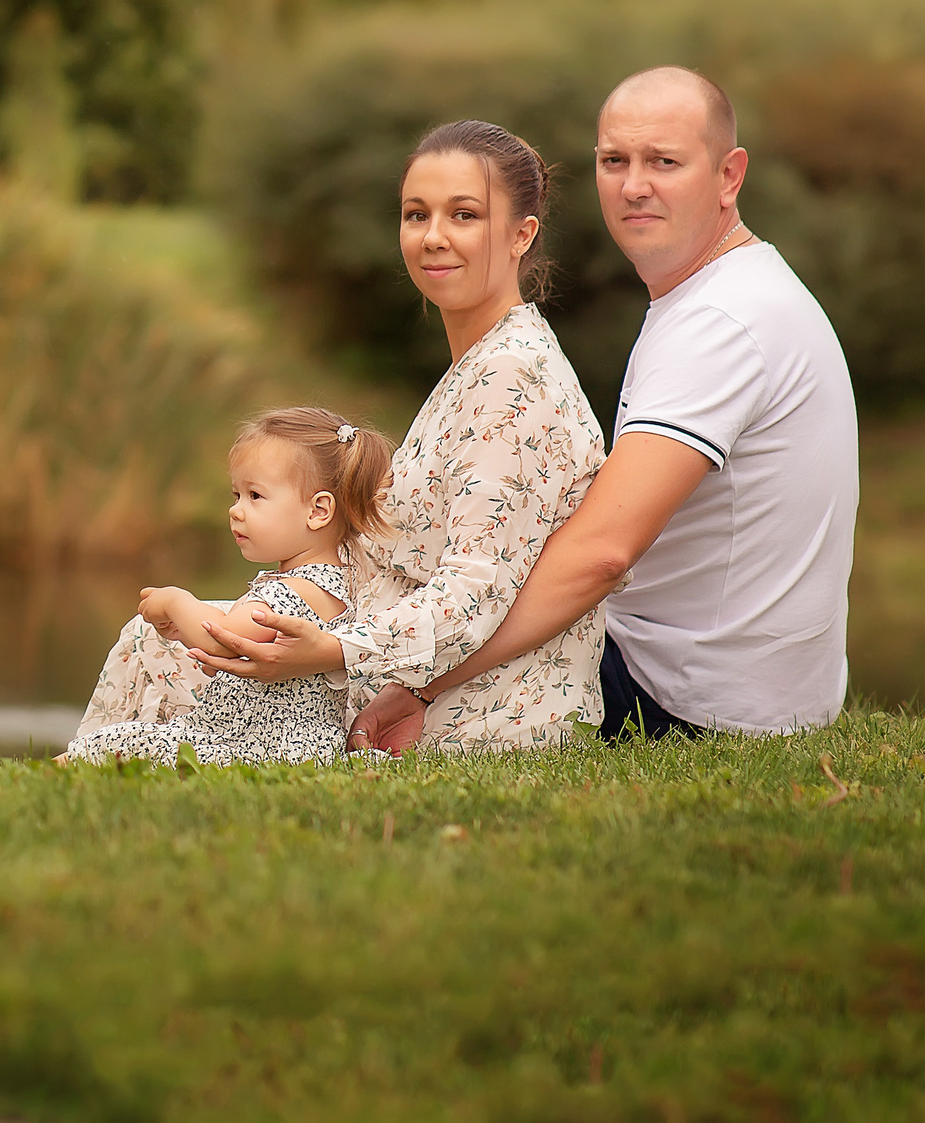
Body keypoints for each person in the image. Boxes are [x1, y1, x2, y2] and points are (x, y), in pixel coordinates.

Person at [338, 67, 858, 750]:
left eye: (664, 162)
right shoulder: (725, 293)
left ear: (730, 176)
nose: (633, 185)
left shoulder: (722, 322)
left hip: (685, 697)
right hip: (732, 681)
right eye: (614, 160)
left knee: (332, 690)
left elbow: (602, 554)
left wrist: (425, 682)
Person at [148, 120, 612, 751]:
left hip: (474, 708)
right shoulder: (477, 365)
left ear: (521, 235)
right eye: (416, 214)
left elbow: (476, 587)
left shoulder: (513, 375)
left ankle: (67, 790)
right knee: (167, 636)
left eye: (465, 215)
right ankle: (68, 783)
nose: (434, 237)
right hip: (392, 674)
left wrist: (337, 649)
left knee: (166, 651)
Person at [64, 407, 390, 767]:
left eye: (255, 496)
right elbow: (235, 643)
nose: (236, 510)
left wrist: (175, 600)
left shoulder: (298, 590)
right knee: (130, 742)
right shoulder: (329, 582)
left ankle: (45, 775)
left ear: (317, 512)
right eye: (236, 495)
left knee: (117, 743)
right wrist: (181, 627)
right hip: (266, 739)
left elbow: (220, 638)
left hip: (255, 746)